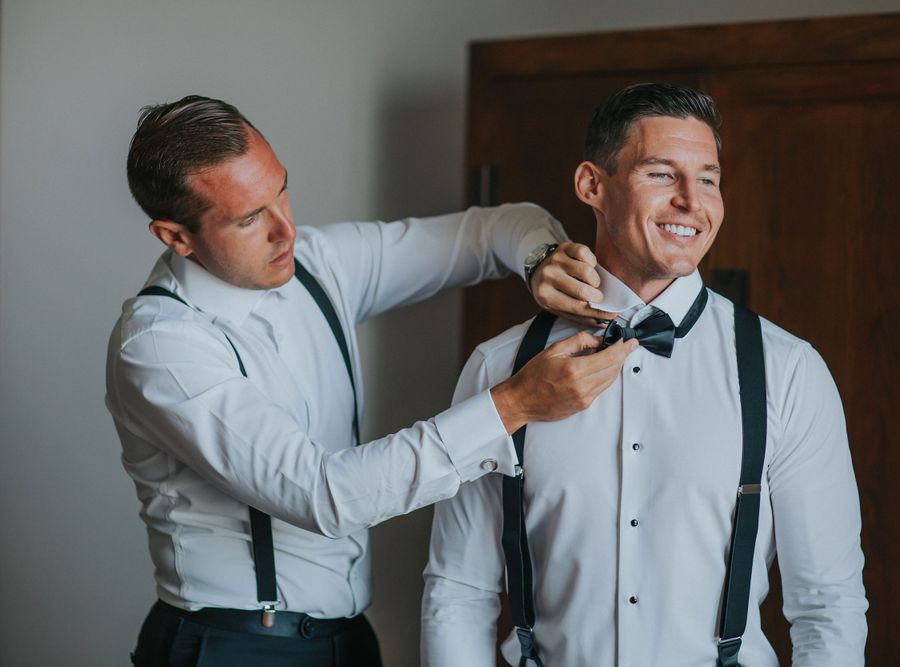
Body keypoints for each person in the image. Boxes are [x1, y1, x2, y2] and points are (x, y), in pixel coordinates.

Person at [105, 95, 637, 666]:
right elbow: (324, 496)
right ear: (175, 237)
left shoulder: (316, 263)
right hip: (233, 649)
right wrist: (512, 406)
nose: (286, 230)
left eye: (281, 190)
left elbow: (492, 229)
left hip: (349, 642)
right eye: (249, 218)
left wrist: (542, 258)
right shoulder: (159, 344)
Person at [422, 83, 868, 666]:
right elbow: (459, 590)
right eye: (662, 174)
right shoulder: (500, 367)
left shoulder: (787, 372)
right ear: (591, 186)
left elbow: (827, 605)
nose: (692, 201)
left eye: (708, 178)